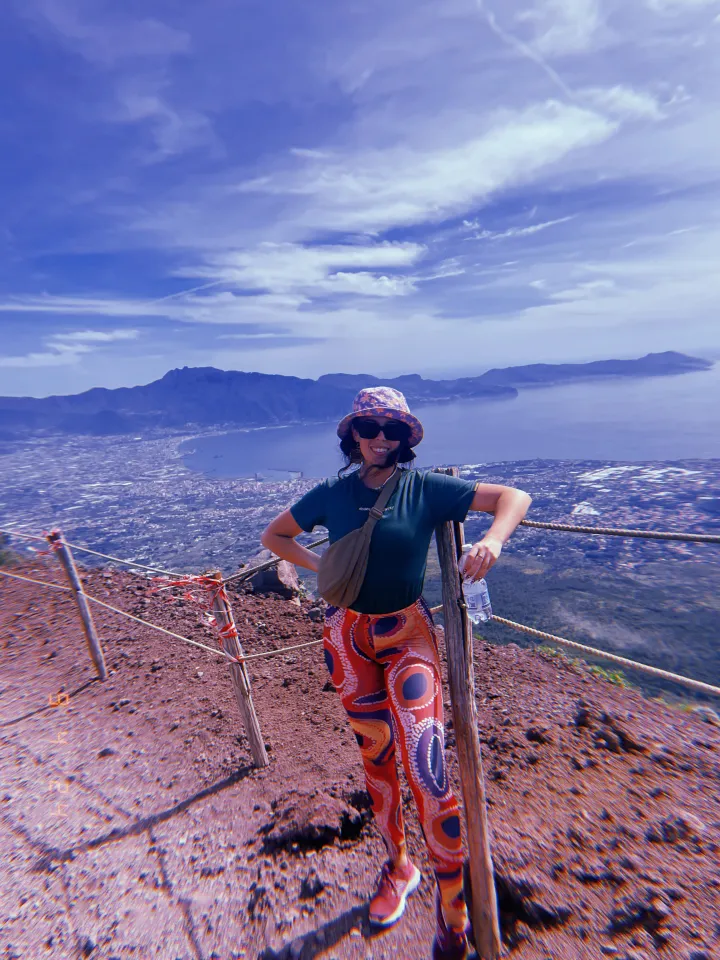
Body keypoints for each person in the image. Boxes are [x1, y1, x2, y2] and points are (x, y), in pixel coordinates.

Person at [261, 387, 532, 960]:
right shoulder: (332, 492)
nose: (380, 437)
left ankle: (454, 915)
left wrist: (492, 541)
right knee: (376, 760)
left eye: (392, 429)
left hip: (406, 634)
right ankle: (399, 868)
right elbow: (275, 536)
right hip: (345, 634)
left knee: (427, 767)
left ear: (407, 438)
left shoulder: (424, 488)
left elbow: (514, 495)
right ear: (352, 434)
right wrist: (325, 565)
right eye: (368, 426)